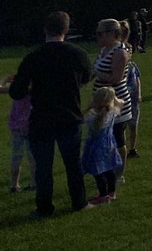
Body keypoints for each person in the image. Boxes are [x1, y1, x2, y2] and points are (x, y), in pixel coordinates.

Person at [8, 11, 93, 217]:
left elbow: (16, 92)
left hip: (42, 118)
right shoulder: (78, 54)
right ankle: (79, 202)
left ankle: (44, 208)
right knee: (73, 164)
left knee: (43, 167)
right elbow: (86, 78)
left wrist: (32, 87)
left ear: (45, 29)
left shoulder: (33, 57)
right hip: (69, 115)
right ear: (66, 30)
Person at [93, 18, 133, 181]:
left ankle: (118, 174)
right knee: (103, 138)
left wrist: (97, 73)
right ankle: (106, 169)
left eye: (100, 33)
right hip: (102, 103)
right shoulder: (104, 50)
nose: (97, 37)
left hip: (117, 104)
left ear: (112, 34)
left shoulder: (119, 52)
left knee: (117, 139)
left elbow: (116, 78)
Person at [80, 86, 122, 205]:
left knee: (98, 172)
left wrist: (89, 107)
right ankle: (112, 192)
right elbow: (121, 102)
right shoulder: (113, 111)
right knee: (109, 169)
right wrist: (114, 97)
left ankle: (103, 195)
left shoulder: (92, 116)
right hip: (109, 145)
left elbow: (80, 118)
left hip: (96, 146)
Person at [3, 73, 34, 192]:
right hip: (30, 126)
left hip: (16, 127)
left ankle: (14, 184)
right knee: (32, 157)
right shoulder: (33, 90)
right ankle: (34, 182)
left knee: (16, 157)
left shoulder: (16, 91)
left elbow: (0, 88)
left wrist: (5, 79)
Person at [125, 57, 142, 159]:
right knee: (122, 126)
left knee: (133, 125)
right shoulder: (118, 66)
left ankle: (132, 148)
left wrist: (139, 94)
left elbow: (138, 80)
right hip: (123, 99)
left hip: (133, 99)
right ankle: (122, 148)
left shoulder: (133, 66)